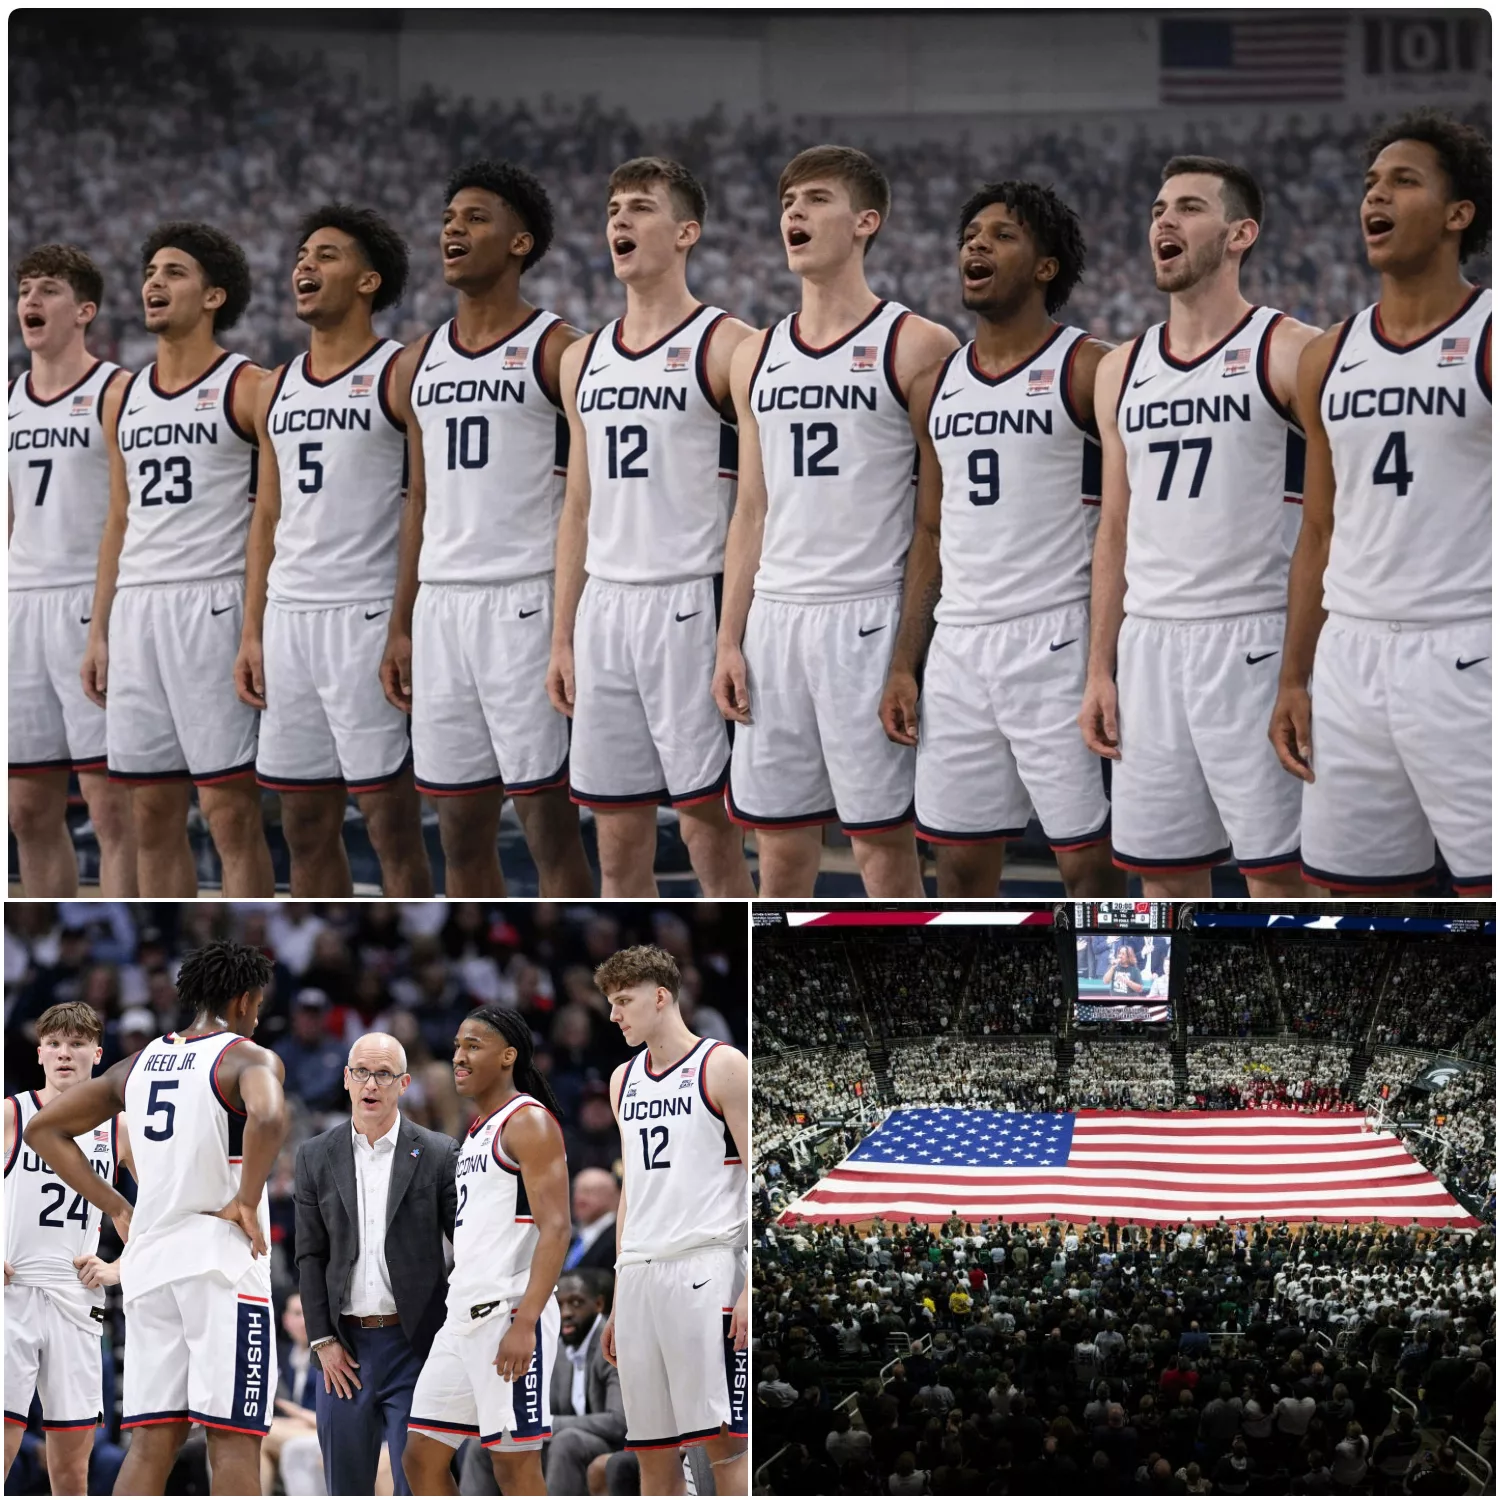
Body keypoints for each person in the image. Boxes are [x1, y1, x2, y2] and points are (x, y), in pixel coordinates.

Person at [713, 145, 959, 896]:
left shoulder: (919, 345)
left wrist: (908, 656)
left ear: (865, 222)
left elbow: (936, 520)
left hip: (867, 618)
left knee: (883, 850)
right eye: (788, 201)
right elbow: (750, 508)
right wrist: (728, 639)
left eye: (816, 199)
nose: (795, 212)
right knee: (778, 855)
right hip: (774, 622)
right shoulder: (754, 354)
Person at [1080, 157, 1321, 897]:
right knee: (1164, 880)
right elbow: (1114, 530)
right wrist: (1099, 669)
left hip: (1253, 638)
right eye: (1159, 209)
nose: (1164, 221)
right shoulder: (1120, 369)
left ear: (1240, 234)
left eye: (1188, 207)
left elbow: (1337, 516)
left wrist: (1304, 670)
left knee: (1281, 877)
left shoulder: (1291, 350)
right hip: (1149, 645)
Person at [878, 180, 1121, 898]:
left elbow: (1129, 521)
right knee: (958, 865)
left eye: (1002, 235)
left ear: (1046, 267)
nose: (976, 245)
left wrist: (1109, 659)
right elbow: (929, 531)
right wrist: (904, 663)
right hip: (959, 647)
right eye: (969, 236)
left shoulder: (1090, 369)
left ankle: (1113, 978)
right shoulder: (934, 385)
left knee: (1089, 865)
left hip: (1059, 640)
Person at [1270, 111, 1491, 896]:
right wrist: (1294, 677)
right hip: (1351, 655)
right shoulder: (1327, 354)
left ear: (1458, 214)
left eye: (1403, 181)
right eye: (1370, 184)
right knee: (1356, 904)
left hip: (1469, 648)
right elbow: (1317, 530)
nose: (1376, 196)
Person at [380, 160, 592, 897]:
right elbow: (417, 500)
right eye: (448, 219)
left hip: (525, 603)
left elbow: (589, 498)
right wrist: (401, 623)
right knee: (460, 837)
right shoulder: (415, 362)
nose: (454, 230)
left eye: (475, 218)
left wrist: (569, 627)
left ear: (520, 243)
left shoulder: (561, 350)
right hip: (441, 608)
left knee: (549, 832)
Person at [548, 156, 755, 898]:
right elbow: (577, 506)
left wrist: (732, 635)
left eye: (640, 207)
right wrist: (563, 634)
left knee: (707, 829)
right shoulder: (582, 358)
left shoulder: (730, 344)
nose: (620, 221)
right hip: (605, 605)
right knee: (617, 840)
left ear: (686, 232)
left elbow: (760, 500)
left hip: (689, 599)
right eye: (613, 210)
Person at [22, 938, 287, 1496]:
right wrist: (248, 1197)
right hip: (222, 1267)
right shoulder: (247, 1057)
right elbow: (268, 1116)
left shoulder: (139, 1063)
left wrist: (117, 1206)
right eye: (258, 1004)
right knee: (234, 1439)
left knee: (152, 1443)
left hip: (150, 1269)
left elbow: (43, 1129)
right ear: (243, 1000)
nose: (258, 1016)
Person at [235, 203, 432, 897]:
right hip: (290, 620)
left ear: (369, 281)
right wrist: (252, 630)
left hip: (366, 615)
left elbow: (421, 503)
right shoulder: (274, 386)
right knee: (304, 828)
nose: (305, 266)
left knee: (390, 826)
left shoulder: (400, 372)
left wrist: (403, 623)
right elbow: (266, 516)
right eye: (301, 257)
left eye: (326, 255)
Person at [81, 222, 275, 897]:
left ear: (214, 295)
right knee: (150, 816)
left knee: (229, 814)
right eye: (150, 273)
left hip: (212, 604)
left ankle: (242, 944)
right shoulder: (123, 397)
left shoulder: (249, 386)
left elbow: (272, 519)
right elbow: (117, 520)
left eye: (174, 272)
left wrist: (254, 627)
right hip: (137, 609)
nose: (153, 284)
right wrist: (99, 630)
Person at [7, 244, 137, 897]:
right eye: (24, 289)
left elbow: (129, 512)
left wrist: (107, 625)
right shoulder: (9, 399)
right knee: (26, 811)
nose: (30, 300)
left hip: (90, 604)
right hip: (21, 607)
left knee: (112, 811)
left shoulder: (117, 392)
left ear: (84, 310)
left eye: (49, 289)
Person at [596, 944, 750, 1495]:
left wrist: (754, 1285)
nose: (614, 1015)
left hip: (705, 1266)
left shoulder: (724, 1065)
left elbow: (760, 1177)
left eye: (623, 1001)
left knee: (725, 1445)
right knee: (652, 1452)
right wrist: (619, 1294)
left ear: (660, 997)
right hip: (640, 1273)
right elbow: (630, 1193)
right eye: (611, 1003)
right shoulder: (622, 1079)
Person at [403, 1008, 571, 1496]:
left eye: (473, 1046)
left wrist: (526, 1323)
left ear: (508, 1056)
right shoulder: (476, 1131)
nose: (459, 1056)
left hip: (510, 1311)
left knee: (514, 1467)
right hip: (462, 1317)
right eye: (457, 1045)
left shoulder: (528, 1122)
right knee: (420, 1457)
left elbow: (557, 1229)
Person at [294, 1030, 458, 1496]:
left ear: (404, 1084)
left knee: (420, 1483)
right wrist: (322, 1339)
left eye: (384, 1074)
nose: (371, 1083)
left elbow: (467, 1246)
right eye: (362, 1072)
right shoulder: (314, 1155)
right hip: (343, 1349)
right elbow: (309, 1255)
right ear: (346, 1079)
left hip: (416, 1345)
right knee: (345, 1487)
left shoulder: (438, 1152)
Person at [4, 1002, 131, 1496]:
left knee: (73, 1467)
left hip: (77, 1295)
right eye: (54, 1044)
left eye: (76, 1044)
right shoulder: (12, 1113)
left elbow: (160, 1212)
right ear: (39, 1053)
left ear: (97, 1054)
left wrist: (121, 1267)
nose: (64, 1053)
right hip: (13, 1290)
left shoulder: (118, 1128)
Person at [545, 1270, 626, 1495]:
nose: (566, 1313)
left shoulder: (613, 1343)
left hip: (617, 1444)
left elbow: (619, 1422)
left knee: (566, 1441)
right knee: (497, 1443)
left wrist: (550, 1424)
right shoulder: (559, 1347)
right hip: (572, 1441)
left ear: (599, 1304)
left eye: (576, 1303)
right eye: (559, 1305)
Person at [262, 1292, 325, 1497]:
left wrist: (298, 1414)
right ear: (286, 1320)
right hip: (298, 1426)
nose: (305, 1321)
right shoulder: (279, 1357)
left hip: (323, 1430)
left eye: (309, 1313)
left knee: (260, 1434)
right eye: (298, 1314)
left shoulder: (329, 1357)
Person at [563, 1167, 621, 1273]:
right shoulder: (571, 1237)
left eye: (588, 1192)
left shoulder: (618, 1237)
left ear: (612, 1196)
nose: (579, 1199)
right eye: (577, 1192)